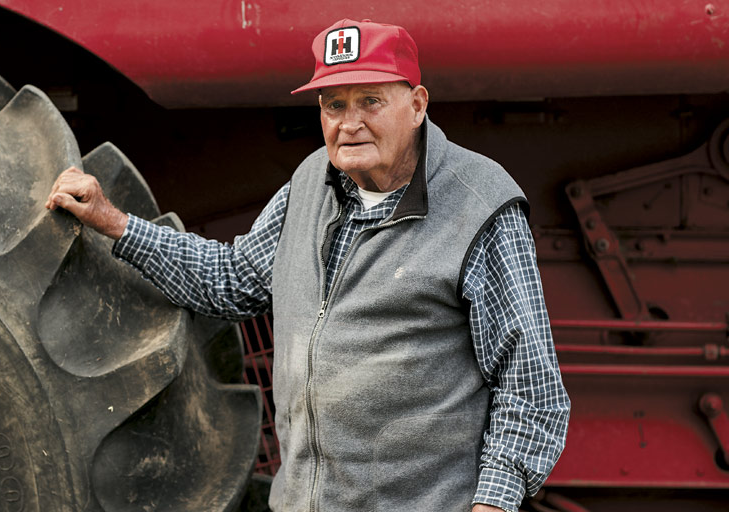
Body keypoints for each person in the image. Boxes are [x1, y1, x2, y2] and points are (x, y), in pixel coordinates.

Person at [47, 18, 570, 512]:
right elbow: (233, 279)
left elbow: (530, 388)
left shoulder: (479, 205)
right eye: (333, 105)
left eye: (370, 100)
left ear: (416, 104)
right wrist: (114, 221)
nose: (350, 124)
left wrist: (491, 505)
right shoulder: (309, 183)